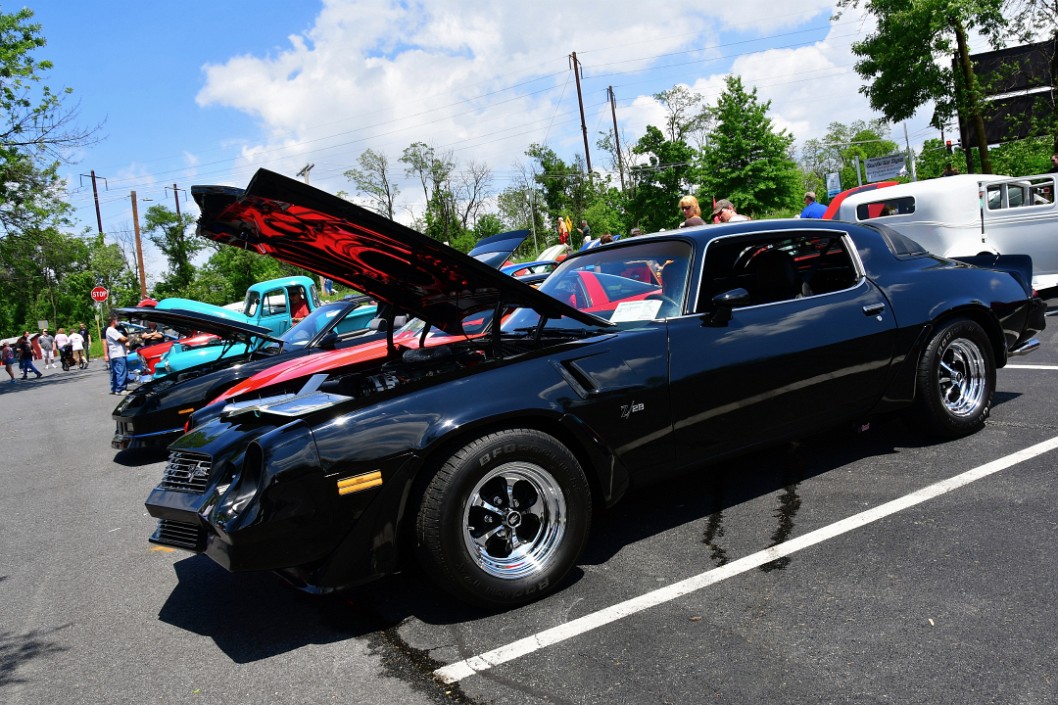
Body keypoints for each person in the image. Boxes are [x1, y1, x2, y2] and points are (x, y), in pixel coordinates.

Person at [105, 314, 130, 394]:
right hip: (118, 354)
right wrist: (128, 338)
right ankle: (120, 389)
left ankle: (115, 388)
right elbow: (122, 339)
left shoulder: (111, 330)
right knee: (121, 371)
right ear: (113, 321)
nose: (118, 321)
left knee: (116, 372)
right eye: (117, 320)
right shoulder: (111, 330)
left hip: (115, 354)